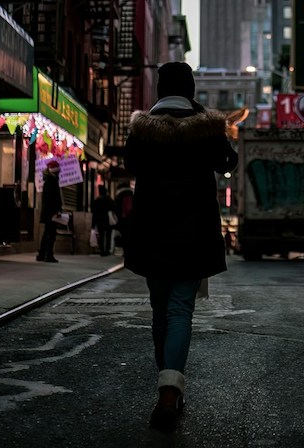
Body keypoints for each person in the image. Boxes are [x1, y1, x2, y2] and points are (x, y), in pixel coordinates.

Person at [123, 61, 237, 432]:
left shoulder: (143, 129)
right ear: (190, 90)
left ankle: (168, 386)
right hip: (193, 232)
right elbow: (228, 162)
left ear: (159, 90)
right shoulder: (206, 128)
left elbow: (130, 164)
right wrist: (206, 119)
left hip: (151, 231)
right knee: (179, 311)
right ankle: (169, 392)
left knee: (160, 310)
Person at [37, 160, 63, 263]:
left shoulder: (51, 181)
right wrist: (56, 211)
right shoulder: (50, 182)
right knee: (50, 234)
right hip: (51, 213)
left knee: (47, 233)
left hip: (50, 213)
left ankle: (42, 254)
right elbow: (50, 199)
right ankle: (48, 255)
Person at [91, 184, 116, 256]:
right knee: (108, 235)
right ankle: (107, 250)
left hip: (99, 220)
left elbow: (94, 212)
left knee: (101, 235)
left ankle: (102, 250)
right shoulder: (109, 199)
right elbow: (114, 208)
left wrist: (93, 224)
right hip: (108, 220)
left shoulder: (97, 201)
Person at [114, 180, 134, 253]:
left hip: (122, 218)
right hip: (131, 218)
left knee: (124, 234)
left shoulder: (119, 195)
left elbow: (116, 208)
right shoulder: (132, 194)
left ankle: (125, 250)